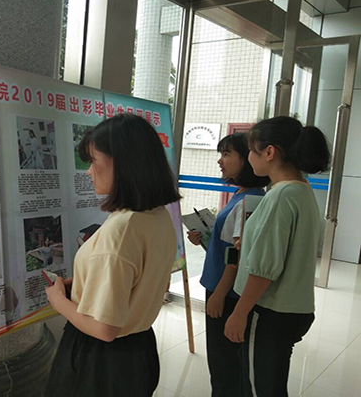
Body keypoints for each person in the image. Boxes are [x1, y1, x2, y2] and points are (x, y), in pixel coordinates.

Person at [44, 114, 181, 397]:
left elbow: (104, 328)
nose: (88, 171)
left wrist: (59, 301)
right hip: (139, 350)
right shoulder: (156, 215)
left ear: (122, 162)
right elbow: (137, 280)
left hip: (100, 361)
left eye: (93, 161)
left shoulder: (122, 229)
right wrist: (83, 283)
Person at [224, 116, 331, 397]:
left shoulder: (280, 196)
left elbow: (264, 269)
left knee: (259, 387)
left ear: (269, 152)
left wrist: (239, 313)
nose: (250, 157)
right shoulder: (301, 190)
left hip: (269, 311)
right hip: (294, 309)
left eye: (252, 150)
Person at [187, 133, 269, 397]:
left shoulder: (250, 201)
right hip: (219, 285)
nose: (220, 161)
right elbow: (227, 244)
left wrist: (220, 294)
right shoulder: (240, 193)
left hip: (228, 292)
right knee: (223, 362)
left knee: (225, 365)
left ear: (246, 159)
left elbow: (237, 257)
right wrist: (204, 238)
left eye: (226, 154)